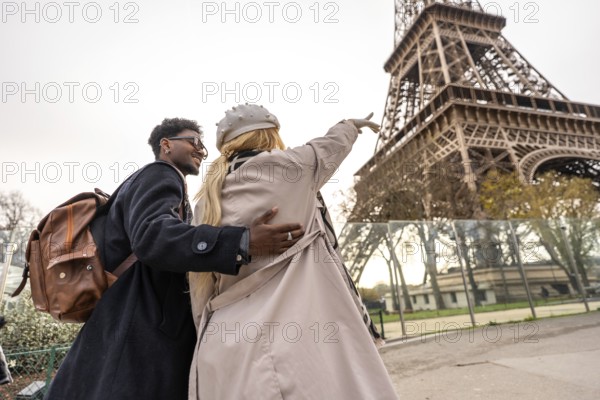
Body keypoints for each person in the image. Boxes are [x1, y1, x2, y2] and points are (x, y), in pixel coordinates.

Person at [44, 118, 305, 400]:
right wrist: (242, 241)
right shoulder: (161, 174)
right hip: (140, 331)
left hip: (129, 325)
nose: (201, 151)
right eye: (193, 141)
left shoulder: (156, 183)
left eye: (204, 147)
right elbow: (152, 237)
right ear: (166, 145)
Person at [188, 105, 398, 399]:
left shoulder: (203, 204)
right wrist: (350, 124)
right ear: (270, 133)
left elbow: (200, 292)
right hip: (302, 336)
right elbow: (331, 144)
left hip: (227, 343)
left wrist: (204, 334)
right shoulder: (295, 167)